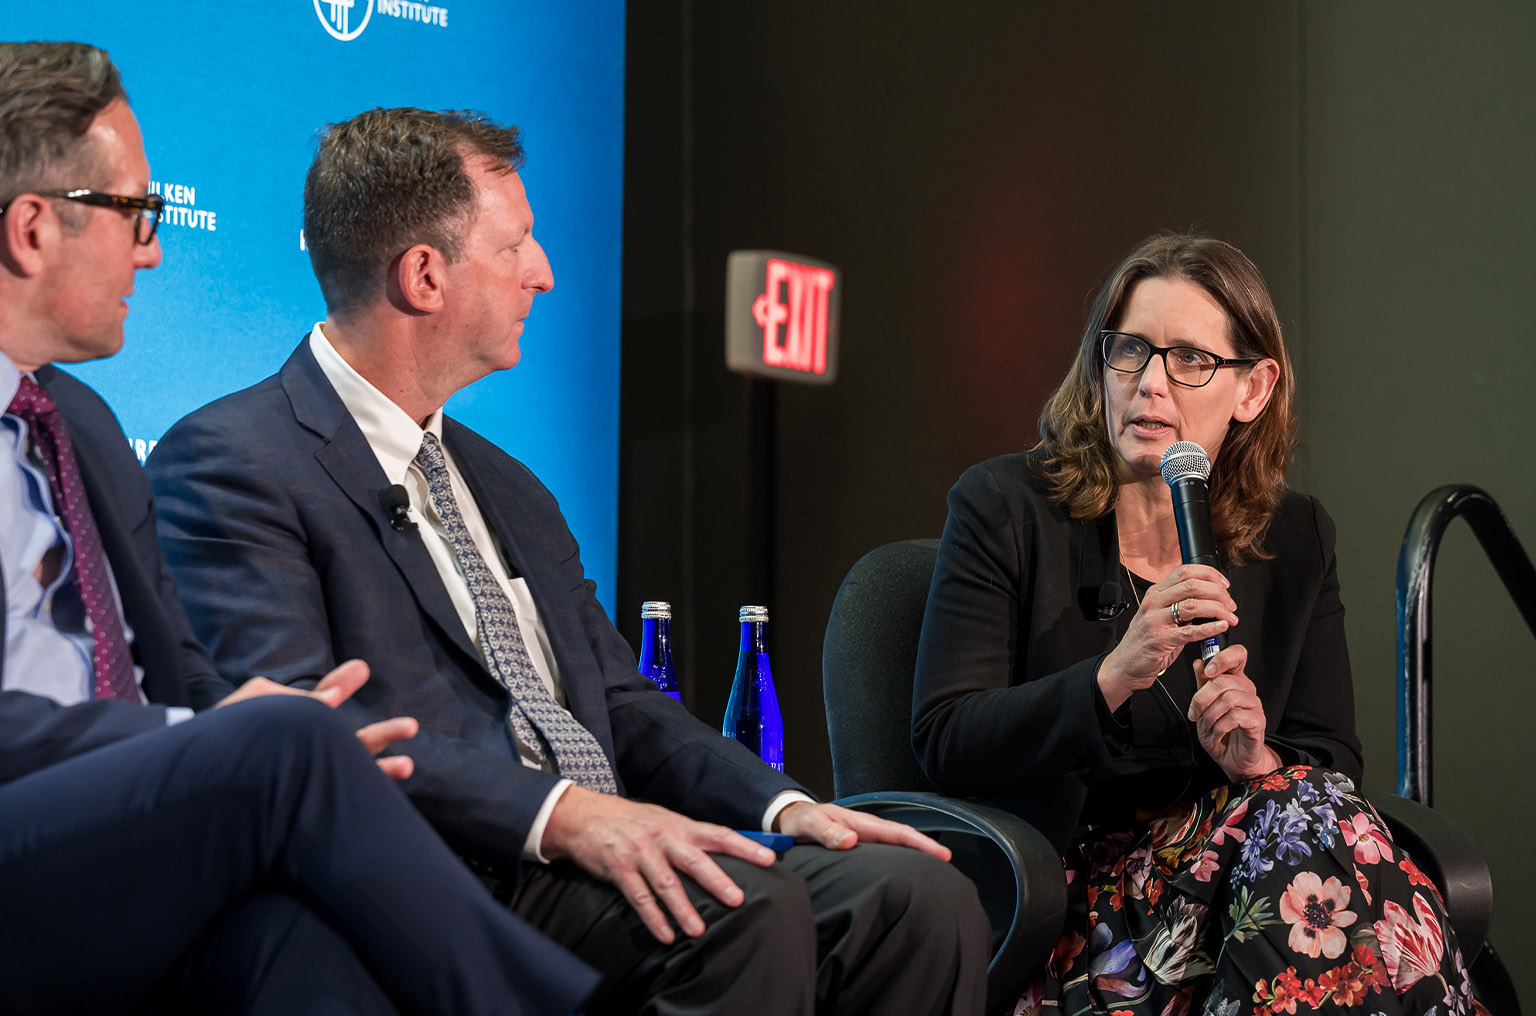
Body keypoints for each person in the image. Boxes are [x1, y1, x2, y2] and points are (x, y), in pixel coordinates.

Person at [146, 105, 990, 1015]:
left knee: (916, 900)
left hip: (602, 851)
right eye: (516, 247)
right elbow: (303, 736)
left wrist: (783, 807)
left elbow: (622, 705)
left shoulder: (507, 485)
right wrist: (567, 817)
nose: (543, 275)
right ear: (425, 276)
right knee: (737, 911)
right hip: (447, 871)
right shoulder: (233, 461)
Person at [0, 40, 598, 1015]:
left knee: (296, 946)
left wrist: (239, 715)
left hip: (124, 828)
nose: (153, 247)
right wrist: (211, 735)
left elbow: (186, 669)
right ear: (32, 229)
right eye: (136, 212)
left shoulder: (88, 429)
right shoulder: (209, 447)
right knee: (287, 740)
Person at [911, 233, 1482, 1016]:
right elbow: (947, 740)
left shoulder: (1294, 536)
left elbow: (1328, 759)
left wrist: (1257, 756)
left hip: (1251, 874)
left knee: (1302, 803)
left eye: (1189, 361)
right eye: (1131, 351)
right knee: (1306, 832)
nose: (1150, 384)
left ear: (1253, 389)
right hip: (1073, 902)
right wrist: (1115, 674)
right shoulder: (1004, 508)